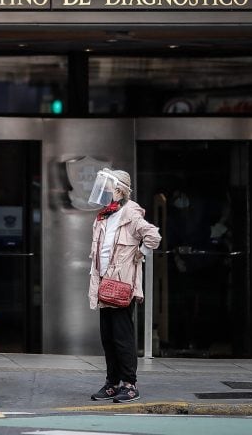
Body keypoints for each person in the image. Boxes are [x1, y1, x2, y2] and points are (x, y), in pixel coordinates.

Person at [87, 168, 161, 403]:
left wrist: (139, 254)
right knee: (107, 337)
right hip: (104, 283)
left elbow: (153, 236)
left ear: (119, 188)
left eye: (109, 186)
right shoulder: (105, 215)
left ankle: (129, 384)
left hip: (121, 284)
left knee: (122, 336)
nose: (105, 190)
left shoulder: (131, 212)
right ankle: (112, 383)